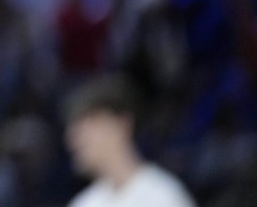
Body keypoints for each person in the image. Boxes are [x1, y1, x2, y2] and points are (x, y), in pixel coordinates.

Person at [64, 74, 196, 207]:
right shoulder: (85, 203)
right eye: (75, 132)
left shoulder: (164, 196)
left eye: (90, 126)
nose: (76, 140)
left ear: (122, 124)